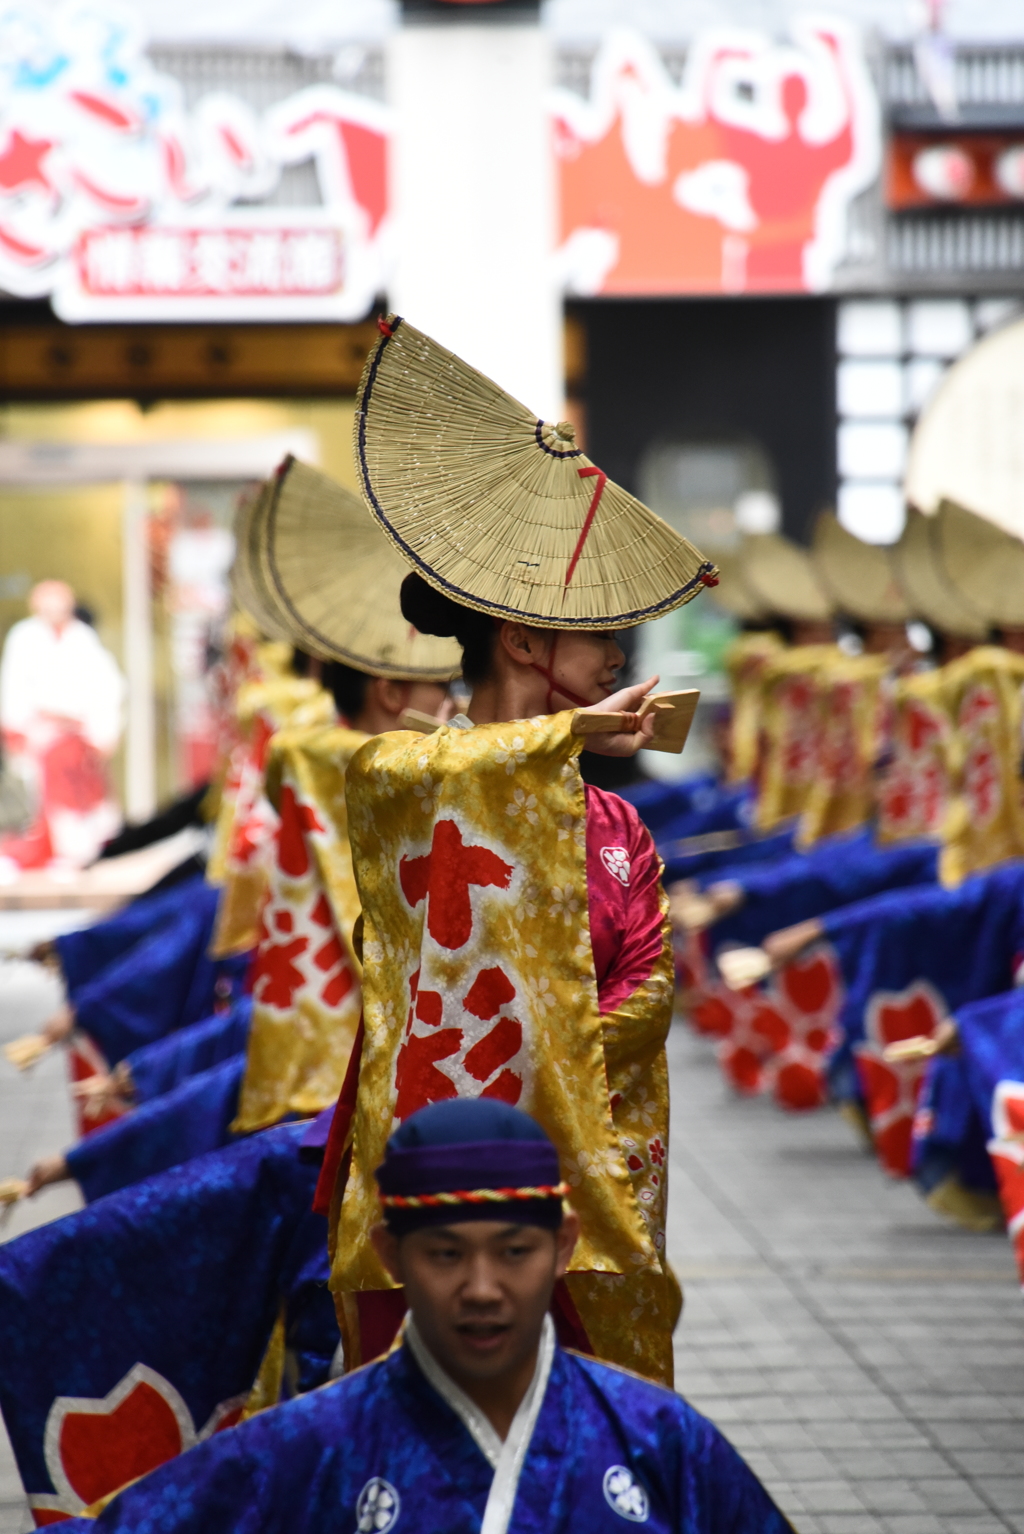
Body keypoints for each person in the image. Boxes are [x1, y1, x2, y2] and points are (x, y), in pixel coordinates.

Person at [316, 314, 717, 1386]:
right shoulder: (406, 781)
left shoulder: (619, 826)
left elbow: (647, 992)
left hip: (574, 1189)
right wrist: (571, 735)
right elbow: (381, 783)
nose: (620, 658)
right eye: (598, 635)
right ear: (525, 642)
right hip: (434, 1190)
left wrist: (544, 1097)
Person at [57, 1100, 793, 1533]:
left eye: (514, 1251)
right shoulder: (301, 1449)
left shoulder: (659, 1441)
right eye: (445, 1254)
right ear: (389, 1253)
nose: (481, 1287)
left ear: (565, 1246)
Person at [0, 579, 124, 869]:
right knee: (39, 801)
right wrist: (17, 727)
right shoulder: (24, 637)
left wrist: (103, 729)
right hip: (39, 731)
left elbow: (106, 687)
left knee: (83, 801)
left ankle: (78, 854)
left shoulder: (82, 637)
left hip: (78, 733)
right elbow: (14, 686)